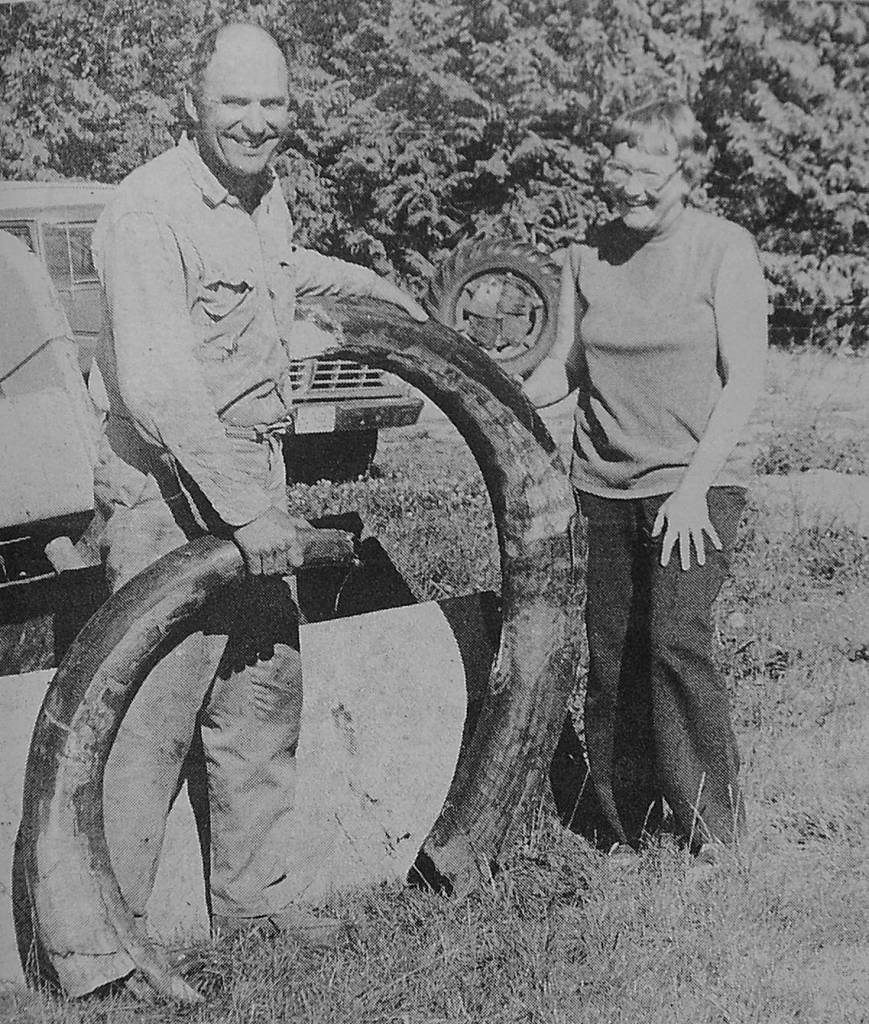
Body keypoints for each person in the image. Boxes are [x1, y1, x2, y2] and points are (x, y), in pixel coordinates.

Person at [88, 19, 427, 965]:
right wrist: (249, 512)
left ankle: (253, 904)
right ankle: (97, 951)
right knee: (146, 720)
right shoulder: (148, 211)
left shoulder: (259, 197)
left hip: (246, 475)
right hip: (169, 492)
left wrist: (378, 292)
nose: (255, 120)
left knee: (258, 695)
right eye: (235, 101)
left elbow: (282, 277)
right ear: (189, 104)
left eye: (272, 102)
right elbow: (160, 392)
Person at [524, 97, 767, 869]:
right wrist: (488, 394)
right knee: (611, 652)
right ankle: (621, 826)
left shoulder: (722, 248)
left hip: (694, 484)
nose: (628, 182)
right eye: (618, 164)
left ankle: (709, 832)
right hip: (598, 483)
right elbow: (564, 365)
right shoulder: (581, 253)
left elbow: (743, 378)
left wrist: (693, 489)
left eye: (647, 167)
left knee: (673, 643)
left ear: (686, 172)